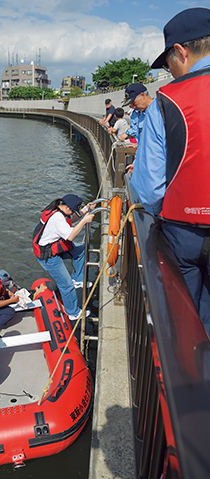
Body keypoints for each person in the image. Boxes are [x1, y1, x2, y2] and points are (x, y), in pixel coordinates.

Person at [130, 7, 210, 335]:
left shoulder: (166, 101)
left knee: (189, 320)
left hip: (184, 234)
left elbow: (148, 190)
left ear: (181, 51)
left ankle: (196, 377)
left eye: (167, 64)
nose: (170, 71)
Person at [33, 194, 94, 320]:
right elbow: (70, 236)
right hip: (48, 256)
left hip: (54, 247)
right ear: (66, 207)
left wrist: (86, 209)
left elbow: (72, 218)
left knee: (80, 250)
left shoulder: (60, 210)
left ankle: (77, 279)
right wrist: (84, 221)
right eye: (72, 210)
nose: (73, 212)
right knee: (66, 285)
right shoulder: (57, 218)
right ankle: (72, 312)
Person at [119, 83, 153, 173]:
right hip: (144, 162)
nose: (134, 107)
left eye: (134, 103)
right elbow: (142, 141)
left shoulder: (159, 111)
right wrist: (136, 163)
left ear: (142, 96)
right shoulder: (139, 113)